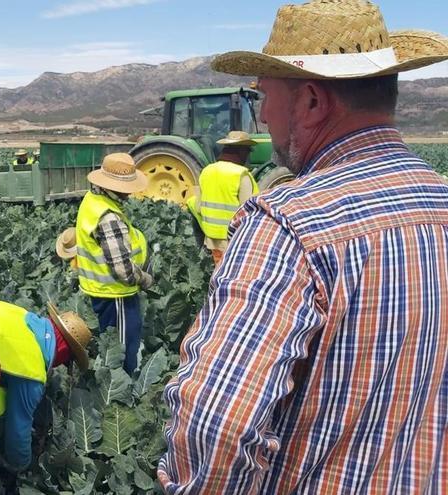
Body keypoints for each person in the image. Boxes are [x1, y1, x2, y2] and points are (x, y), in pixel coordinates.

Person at [158, 1, 448, 493]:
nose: (264, 116)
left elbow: (220, 426)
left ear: (312, 102)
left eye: (265, 96)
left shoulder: (289, 223)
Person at [0, 295, 92, 470]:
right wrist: (22, 469)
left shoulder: (20, 315)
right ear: (64, 352)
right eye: (67, 361)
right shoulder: (32, 371)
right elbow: (18, 431)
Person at [75, 153, 152, 375]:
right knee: (122, 349)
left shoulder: (92, 200)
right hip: (116, 294)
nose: (129, 192)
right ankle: (121, 393)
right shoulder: (108, 216)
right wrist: (145, 279)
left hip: (101, 291)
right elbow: (123, 270)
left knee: (110, 343)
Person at [186, 131, 260, 265]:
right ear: (241, 152)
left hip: (212, 240)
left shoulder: (207, 171)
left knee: (218, 272)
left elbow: (197, 207)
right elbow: (250, 213)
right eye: (248, 151)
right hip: (234, 241)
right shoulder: (241, 175)